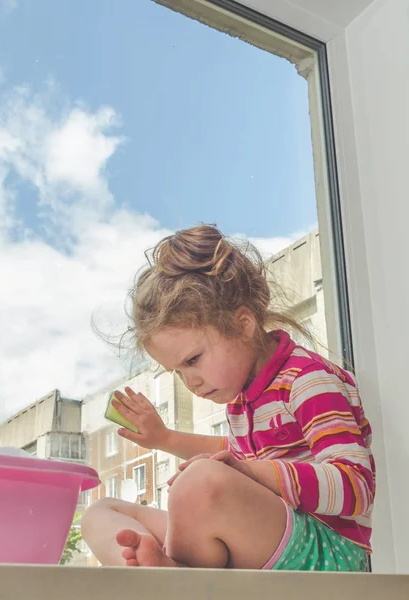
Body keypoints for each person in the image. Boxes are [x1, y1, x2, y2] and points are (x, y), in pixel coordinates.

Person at [81, 224, 375, 572]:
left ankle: (172, 578)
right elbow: (235, 460)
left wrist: (250, 472)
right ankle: (155, 574)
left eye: (192, 360)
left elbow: (357, 487)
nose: (190, 381)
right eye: (177, 371)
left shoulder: (306, 380)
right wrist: (165, 439)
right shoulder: (243, 400)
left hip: (329, 553)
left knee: (199, 483)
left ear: (243, 324)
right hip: (266, 542)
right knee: (100, 513)